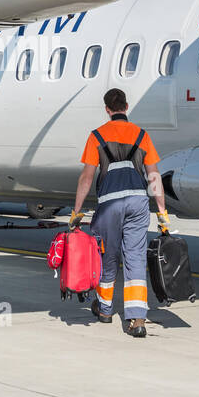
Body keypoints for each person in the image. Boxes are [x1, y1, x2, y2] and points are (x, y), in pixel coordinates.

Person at [70, 88, 170, 338]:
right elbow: (154, 175)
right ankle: (137, 319)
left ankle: (105, 309)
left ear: (107, 109)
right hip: (138, 203)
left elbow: (86, 177)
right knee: (135, 258)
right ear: (126, 107)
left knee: (108, 256)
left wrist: (76, 211)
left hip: (109, 205)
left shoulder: (97, 136)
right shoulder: (142, 135)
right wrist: (162, 211)